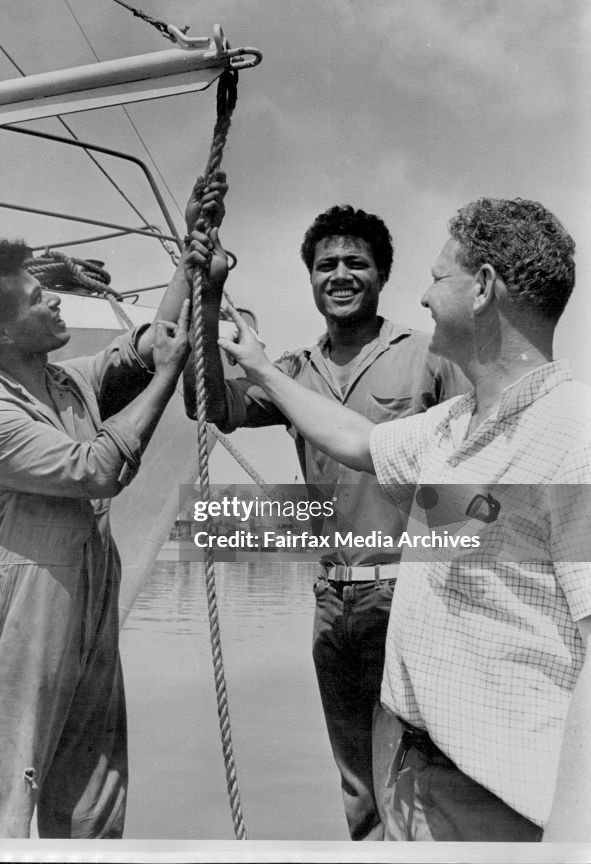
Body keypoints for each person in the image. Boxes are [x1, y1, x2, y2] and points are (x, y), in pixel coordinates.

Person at [217, 197, 591, 842]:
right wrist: (253, 363)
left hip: (497, 789)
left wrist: (572, 836)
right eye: (324, 264)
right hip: (408, 754)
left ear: (483, 288)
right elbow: (361, 443)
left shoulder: (572, 436)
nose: (423, 296)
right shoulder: (448, 428)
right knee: (365, 803)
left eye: (437, 277)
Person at [0, 176, 225, 839]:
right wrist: (166, 376)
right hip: (17, 620)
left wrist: (190, 256)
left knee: (94, 806)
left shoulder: (68, 382)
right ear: (2, 329)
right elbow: (98, 469)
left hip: (89, 603)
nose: (55, 301)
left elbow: (157, 340)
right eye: (39, 299)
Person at [184, 205, 465, 839]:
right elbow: (207, 401)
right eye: (326, 264)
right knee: (358, 787)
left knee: (425, 778)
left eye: (356, 263)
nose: (340, 274)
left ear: (382, 275)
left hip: (410, 592)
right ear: (309, 278)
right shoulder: (289, 372)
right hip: (333, 599)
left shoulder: (427, 357)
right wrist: (209, 292)